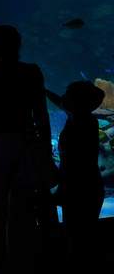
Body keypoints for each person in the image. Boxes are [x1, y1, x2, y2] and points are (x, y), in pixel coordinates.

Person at [0, 25, 52, 274]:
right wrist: (45, 150)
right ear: (18, 46)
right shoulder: (32, 71)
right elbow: (42, 113)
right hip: (26, 144)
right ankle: (22, 266)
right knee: (23, 210)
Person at [46, 81, 105, 273]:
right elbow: (61, 103)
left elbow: (75, 165)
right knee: (82, 239)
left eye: (67, 92)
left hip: (81, 189)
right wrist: (43, 90)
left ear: (76, 101)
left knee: (78, 241)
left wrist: (60, 192)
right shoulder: (83, 117)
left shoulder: (80, 126)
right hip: (89, 186)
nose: (63, 96)